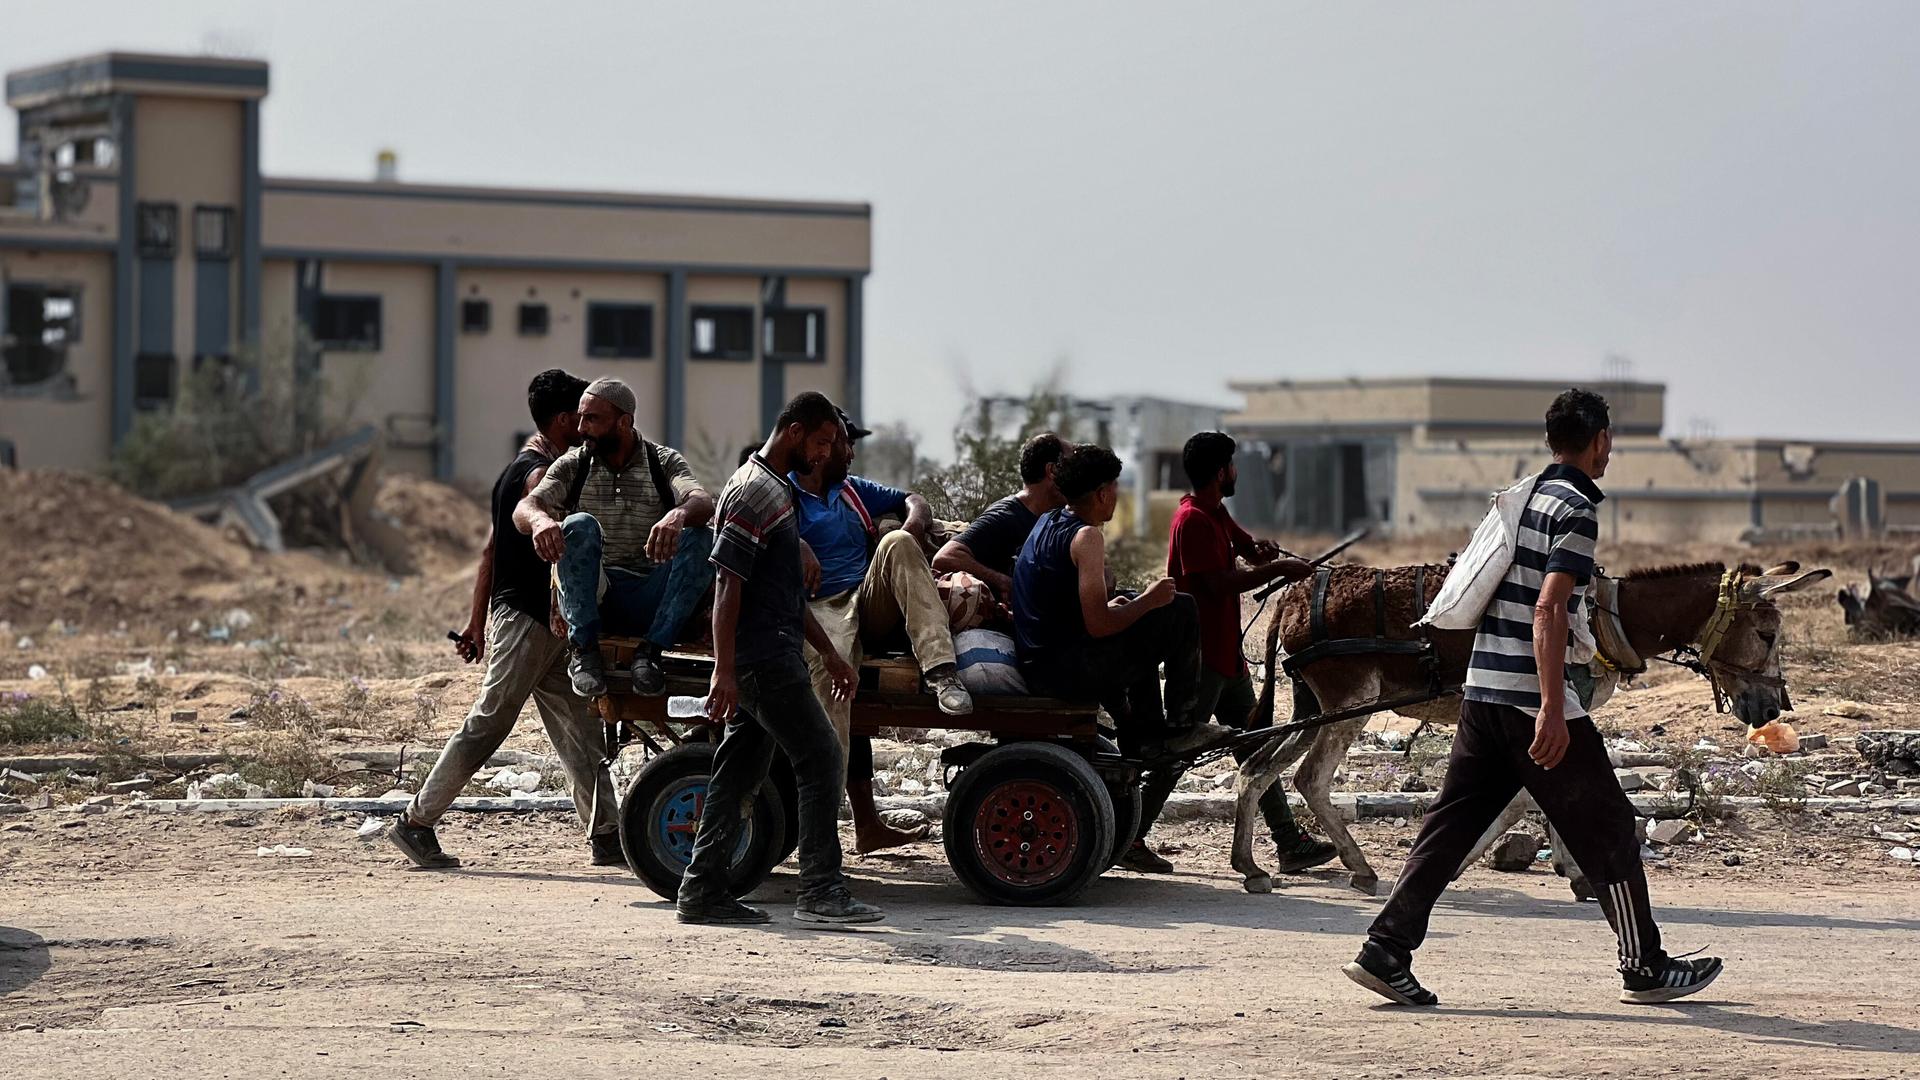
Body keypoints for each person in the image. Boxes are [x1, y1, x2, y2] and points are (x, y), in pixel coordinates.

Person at [1343, 389, 1723, 1007]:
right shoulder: (1575, 507)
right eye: (1609, 440)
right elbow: (1548, 608)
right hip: (1528, 701)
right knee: (1610, 827)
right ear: (1600, 439)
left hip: (1483, 694)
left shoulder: (1527, 497)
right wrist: (1551, 706)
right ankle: (1644, 965)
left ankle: (1385, 949)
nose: (1610, 451)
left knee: (1451, 826)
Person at [387, 369, 622, 869]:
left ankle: (607, 832)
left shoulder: (516, 470)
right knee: (489, 722)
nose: (587, 428)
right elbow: (534, 546)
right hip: (531, 621)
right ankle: (416, 822)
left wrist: (477, 622)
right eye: (581, 418)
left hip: (545, 626)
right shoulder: (539, 476)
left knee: (581, 731)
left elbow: (490, 552)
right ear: (563, 420)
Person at [676, 392, 885, 927]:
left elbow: (788, 591)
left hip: (772, 649)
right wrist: (724, 670)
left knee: (738, 772)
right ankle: (821, 890)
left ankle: (701, 890)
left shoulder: (777, 490)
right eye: (821, 441)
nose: (825, 453)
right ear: (794, 431)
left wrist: (830, 655)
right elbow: (727, 585)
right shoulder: (752, 491)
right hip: (763, 658)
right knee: (822, 757)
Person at [1121, 432, 1335, 875]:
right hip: (1199, 662)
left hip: (1226, 659)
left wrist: (1263, 553)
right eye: (1233, 465)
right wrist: (1279, 568)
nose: (1236, 472)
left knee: (1257, 749)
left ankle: (1289, 842)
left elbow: (1247, 553)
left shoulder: (1215, 513)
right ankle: (1131, 838)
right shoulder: (1193, 520)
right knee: (1177, 753)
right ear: (1221, 472)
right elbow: (1218, 584)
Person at [795, 409, 972, 852]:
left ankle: (941, 670)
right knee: (833, 677)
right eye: (845, 444)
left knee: (897, 541)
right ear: (820, 449)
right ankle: (824, 824)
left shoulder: (852, 490)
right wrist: (793, 543)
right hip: (819, 607)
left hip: (865, 598)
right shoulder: (783, 492)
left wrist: (911, 524)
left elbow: (915, 498)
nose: (851, 453)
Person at [1012, 443, 1224, 758]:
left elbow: (1061, 604)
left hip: (1044, 662)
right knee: (1181, 607)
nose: (1118, 495)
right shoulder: (1087, 537)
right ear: (1101, 494)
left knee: (1137, 613)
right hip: (1060, 674)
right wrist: (1149, 600)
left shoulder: (1048, 520)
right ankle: (1181, 727)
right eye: (1115, 487)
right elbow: (1099, 626)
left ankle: (1144, 738)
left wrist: (1129, 605)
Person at [514, 377, 715, 699]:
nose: (581, 428)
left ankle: (651, 652)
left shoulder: (662, 461)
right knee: (578, 524)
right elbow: (525, 508)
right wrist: (540, 521)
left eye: (592, 419)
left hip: (650, 596)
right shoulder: (574, 465)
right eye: (580, 418)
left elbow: (702, 501)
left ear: (624, 422)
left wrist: (677, 515)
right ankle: (584, 651)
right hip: (597, 596)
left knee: (702, 536)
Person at [931, 432, 1068, 603]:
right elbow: (945, 557)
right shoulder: (1004, 516)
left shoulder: (1058, 518)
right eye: (1071, 465)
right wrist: (1002, 581)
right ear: (1052, 470)